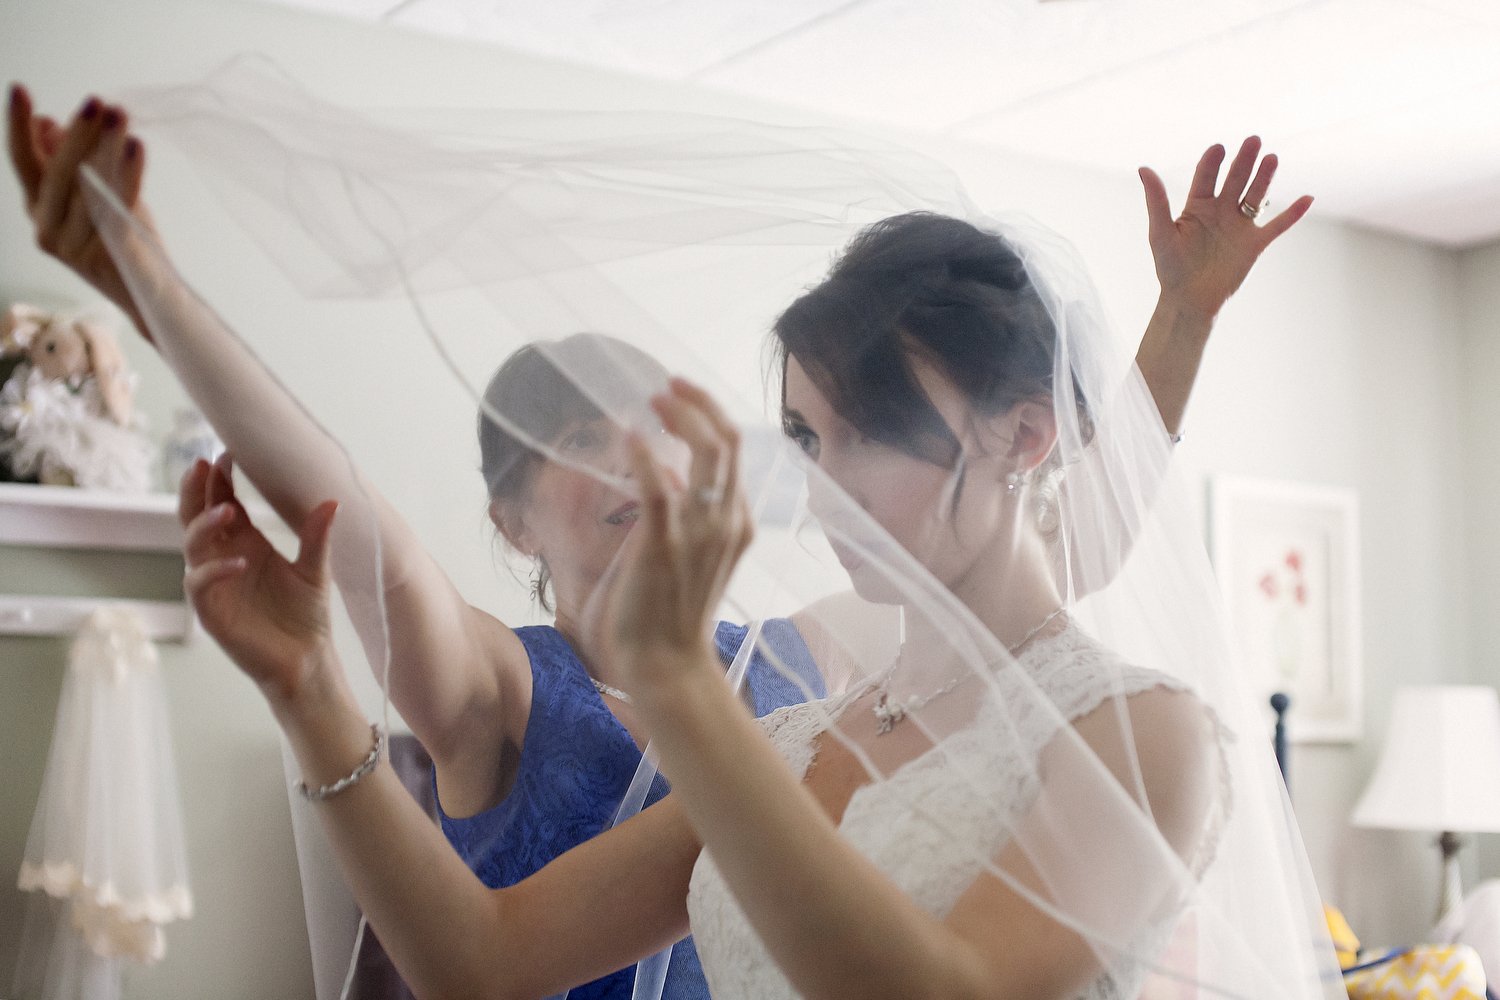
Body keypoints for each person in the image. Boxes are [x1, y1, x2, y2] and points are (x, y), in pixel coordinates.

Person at [8, 80, 1327, 999]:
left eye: (861, 426)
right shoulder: (794, 736)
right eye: (803, 442)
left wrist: (1178, 328)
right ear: (510, 516)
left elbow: (1062, 567)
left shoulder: (1135, 738)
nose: (821, 488)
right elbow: (482, 959)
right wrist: (305, 691)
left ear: (1028, 435)